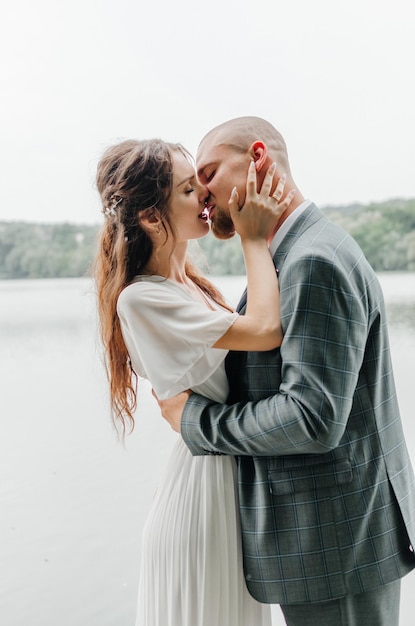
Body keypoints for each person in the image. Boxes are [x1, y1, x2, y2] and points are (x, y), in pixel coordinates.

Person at [157, 117, 415, 626]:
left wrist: (196, 421)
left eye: (208, 172)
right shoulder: (293, 255)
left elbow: (312, 418)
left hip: (334, 548)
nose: (202, 195)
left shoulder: (312, 261)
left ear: (257, 159)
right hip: (330, 544)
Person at [93, 137, 296, 626]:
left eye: (201, 183)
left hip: (228, 480)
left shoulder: (192, 287)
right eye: (188, 190)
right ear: (149, 216)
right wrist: (253, 237)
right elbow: (267, 331)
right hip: (203, 496)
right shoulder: (142, 300)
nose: (205, 196)